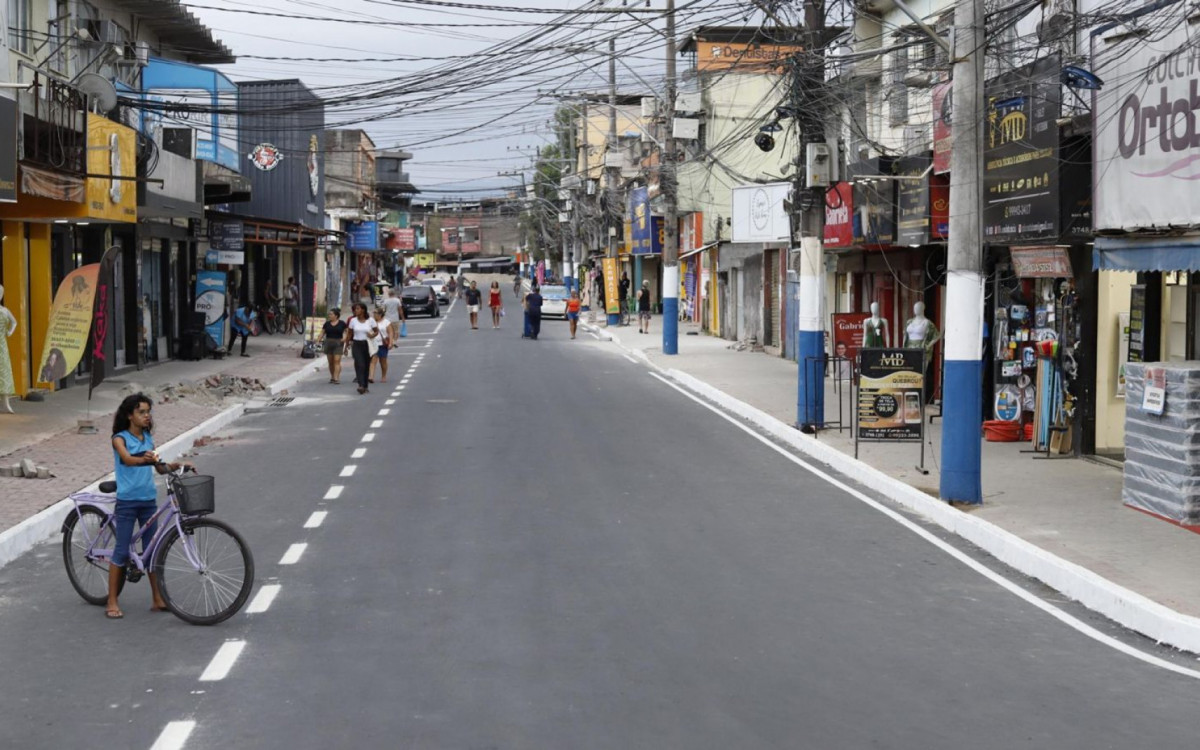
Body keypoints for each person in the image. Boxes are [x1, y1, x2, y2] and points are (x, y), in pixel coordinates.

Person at [106, 393, 193, 619]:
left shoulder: (147, 439)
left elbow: (159, 467)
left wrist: (177, 465)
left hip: (147, 501)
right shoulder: (120, 438)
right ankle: (111, 601)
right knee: (122, 550)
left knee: (152, 551)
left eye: (148, 412)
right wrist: (145, 459)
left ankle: (157, 597)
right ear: (129, 415)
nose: (146, 416)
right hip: (127, 502)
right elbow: (127, 459)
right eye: (141, 412)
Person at [342, 302, 379, 394]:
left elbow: (376, 331)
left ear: (363, 310)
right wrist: (346, 346)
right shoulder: (353, 321)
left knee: (366, 365)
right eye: (355, 309)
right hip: (357, 344)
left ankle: (365, 385)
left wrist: (372, 335)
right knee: (359, 364)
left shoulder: (370, 320)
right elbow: (349, 333)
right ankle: (361, 385)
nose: (356, 310)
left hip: (367, 344)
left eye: (358, 309)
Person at [320, 307, 347, 384]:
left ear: (336, 316)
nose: (329, 315)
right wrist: (318, 340)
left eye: (331, 314)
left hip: (338, 342)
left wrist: (344, 338)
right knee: (331, 362)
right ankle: (332, 376)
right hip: (328, 342)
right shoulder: (327, 324)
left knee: (337, 361)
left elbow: (347, 332)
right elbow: (322, 332)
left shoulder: (342, 323)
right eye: (329, 314)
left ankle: (336, 377)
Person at [369, 307, 392, 383]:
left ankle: (384, 376)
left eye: (375, 313)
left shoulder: (386, 322)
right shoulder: (371, 322)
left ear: (380, 314)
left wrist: (391, 342)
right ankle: (371, 377)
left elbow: (390, 333)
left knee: (383, 361)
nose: (374, 314)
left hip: (382, 344)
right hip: (373, 344)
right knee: (373, 360)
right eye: (373, 313)